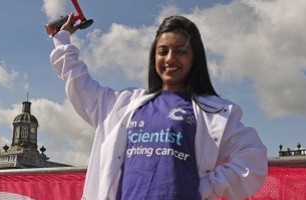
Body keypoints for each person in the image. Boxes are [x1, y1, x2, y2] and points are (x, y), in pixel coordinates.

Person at [50, 13, 268, 200]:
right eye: (163, 51)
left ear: (195, 58)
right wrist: (62, 40)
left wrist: (205, 186)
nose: (170, 59)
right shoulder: (122, 104)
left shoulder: (215, 113)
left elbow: (253, 157)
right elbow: (79, 82)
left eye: (181, 51)